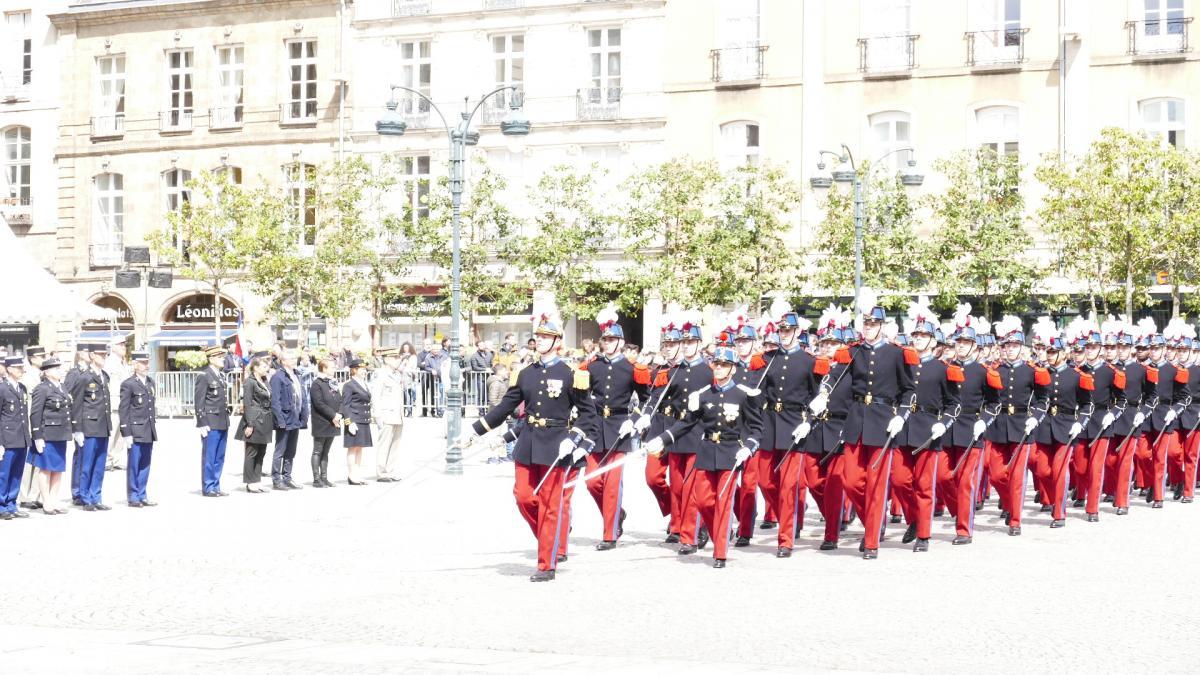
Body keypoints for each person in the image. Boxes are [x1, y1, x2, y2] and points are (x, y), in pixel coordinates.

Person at [456, 304, 597, 582]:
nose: (539, 341)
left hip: (557, 445)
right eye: (538, 336)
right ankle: (553, 534)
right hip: (529, 442)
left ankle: (546, 564)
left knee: (550, 505)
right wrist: (474, 432)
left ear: (557, 342)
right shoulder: (525, 373)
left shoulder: (572, 374)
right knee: (523, 497)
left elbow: (588, 416)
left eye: (546, 337)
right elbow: (505, 408)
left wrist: (574, 437)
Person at [644, 345, 764, 569]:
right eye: (716, 364)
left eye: (724, 365)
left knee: (723, 503)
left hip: (731, 453)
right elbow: (687, 423)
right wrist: (664, 439)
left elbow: (756, 428)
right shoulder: (703, 395)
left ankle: (720, 553)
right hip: (707, 451)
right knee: (703, 501)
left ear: (733, 369)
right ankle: (718, 530)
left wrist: (748, 447)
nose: (718, 368)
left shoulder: (743, 395)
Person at [837, 289, 915, 559]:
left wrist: (901, 415)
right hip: (856, 420)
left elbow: (908, 389)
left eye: (873, 324)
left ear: (881, 326)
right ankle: (874, 518)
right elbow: (837, 379)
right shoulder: (853, 352)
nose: (868, 328)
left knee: (876, 484)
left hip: (883, 420)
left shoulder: (896, 354)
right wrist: (823, 395)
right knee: (850, 482)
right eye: (865, 324)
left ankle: (871, 541)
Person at [892, 302, 960, 552]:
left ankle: (923, 534)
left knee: (924, 485)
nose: (919, 339)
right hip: (902, 429)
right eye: (916, 335)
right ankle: (914, 518)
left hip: (929, 430)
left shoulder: (945, 369)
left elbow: (955, 404)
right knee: (899, 481)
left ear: (934, 341)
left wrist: (943, 424)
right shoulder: (903, 364)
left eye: (924, 336)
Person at [581, 307, 649, 550]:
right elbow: (580, 394)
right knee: (591, 482)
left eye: (611, 339)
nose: (607, 343)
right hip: (594, 426)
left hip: (619, 426)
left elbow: (646, 398)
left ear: (620, 342)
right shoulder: (591, 366)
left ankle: (610, 534)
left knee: (612, 483)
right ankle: (617, 513)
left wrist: (635, 417)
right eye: (605, 339)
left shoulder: (633, 368)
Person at [938, 308, 1000, 545]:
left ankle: (964, 529)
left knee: (965, 481)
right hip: (947, 429)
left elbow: (994, 404)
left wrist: (983, 421)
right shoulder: (945, 368)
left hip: (971, 428)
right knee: (943, 478)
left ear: (974, 346)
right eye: (959, 341)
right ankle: (959, 513)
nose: (961, 346)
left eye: (966, 342)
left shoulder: (984, 372)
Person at [761, 301, 818, 558]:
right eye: (780, 330)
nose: (783, 334)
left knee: (787, 486)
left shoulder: (809, 361)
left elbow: (818, 397)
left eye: (787, 330)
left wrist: (810, 421)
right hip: (769, 423)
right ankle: (792, 511)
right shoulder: (766, 359)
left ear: (797, 332)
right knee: (765, 480)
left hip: (795, 424)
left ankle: (785, 539)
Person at [986, 316, 1050, 535]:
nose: (1010, 349)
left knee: (1017, 476)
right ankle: (1009, 502)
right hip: (998, 426)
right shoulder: (995, 370)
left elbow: (1043, 399)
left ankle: (1015, 520)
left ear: (1021, 347)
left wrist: (1036, 416)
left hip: (1022, 425)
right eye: (1007, 346)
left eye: (1014, 346)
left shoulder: (1033, 371)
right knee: (995, 475)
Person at [662, 310, 713, 549]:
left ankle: (689, 536)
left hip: (697, 431)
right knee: (677, 486)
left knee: (692, 488)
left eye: (691, 342)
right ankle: (680, 525)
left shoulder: (709, 372)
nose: (687, 346)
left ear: (700, 344)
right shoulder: (674, 371)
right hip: (676, 432)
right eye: (684, 342)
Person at [72, 343, 113, 511]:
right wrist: (77, 429)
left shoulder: (105, 376)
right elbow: (77, 404)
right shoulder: (84, 377)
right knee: (87, 464)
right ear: (92, 356)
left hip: (103, 425)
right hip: (89, 426)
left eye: (105, 355)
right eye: (100, 355)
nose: (103, 358)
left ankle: (96, 496)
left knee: (99, 464)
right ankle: (85, 497)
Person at [29, 357, 73, 515]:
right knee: (46, 469)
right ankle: (46, 501)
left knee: (58, 469)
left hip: (61, 434)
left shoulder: (62, 387)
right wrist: (37, 436)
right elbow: (35, 414)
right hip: (47, 434)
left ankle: (54, 500)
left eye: (60, 368)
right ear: (47, 372)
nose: (60, 370)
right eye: (56, 368)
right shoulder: (42, 388)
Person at [116, 351, 157, 508]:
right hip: (135, 430)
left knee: (145, 463)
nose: (146, 366)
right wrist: (126, 432)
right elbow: (124, 409)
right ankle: (133, 496)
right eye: (142, 363)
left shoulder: (150, 382)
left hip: (148, 429)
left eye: (147, 362)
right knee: (134, 464)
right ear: (134, 365)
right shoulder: (128, 384)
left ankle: (142, 494)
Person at [269, 349, 310, 491]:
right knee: (280, 450)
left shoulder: (296, 374)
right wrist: (280, 420)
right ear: (283, 361)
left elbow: (302, 396)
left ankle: (287, 477)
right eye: (291, 358)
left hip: (295, 418)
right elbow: (275, 401)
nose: (294, 360)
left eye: (294, 358)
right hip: (285, 419)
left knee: (291, 451)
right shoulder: (278, 377)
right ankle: (276, 479)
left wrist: (304, 416)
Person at [196, 345, 232, 497]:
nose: (222, 359)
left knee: (219, 456)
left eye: (222, 356)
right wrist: (201, 422)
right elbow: (199, 401)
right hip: (210, 421)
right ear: (211, 358)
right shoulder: (204, 375)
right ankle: (208, 486)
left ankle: (216, 485)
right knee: (209, 457)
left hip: (222, 420)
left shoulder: (221, 375)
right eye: (219, 357)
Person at [0, 356, 32, 519]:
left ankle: (12, 504)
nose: (21, 370)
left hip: (21, 437)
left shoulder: (22, 388)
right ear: (10, 369)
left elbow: (23, 415)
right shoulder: (2, 388)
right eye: (18, 368)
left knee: (17, 473)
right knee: (4, 473)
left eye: (22, 367)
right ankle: (1, 505)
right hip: (7, 438)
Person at [235, 356, 273, 493]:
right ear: (255, 368)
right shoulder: (249, 382)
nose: (266, 369)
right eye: (263, 366)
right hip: (255, 419)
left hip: (265, 419)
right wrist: (250, 424)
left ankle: (257, 480)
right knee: (252, 452)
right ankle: (250, 482)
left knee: (261, 452)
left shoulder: (264, 380)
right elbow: (248, 404)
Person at [17, 346, 46, 510]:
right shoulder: (28, 378)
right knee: (29, 462)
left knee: (38, 460)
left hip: (41, 423)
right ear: (33, 359)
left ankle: (35, 494)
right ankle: (24, 496)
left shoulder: (41, 376)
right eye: (40, 357)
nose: (42, 359)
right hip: (30, 422)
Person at [372, 347, 406, 482]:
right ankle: (381, 472)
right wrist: (377, 415)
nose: (398, 360)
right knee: (384, 444)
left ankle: (390, 471)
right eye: (395, 358)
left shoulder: (396, 374)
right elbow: (375, 395)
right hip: (386, 414)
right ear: (386, 359)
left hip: (397, 414)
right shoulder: (380, 374)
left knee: (395, 445)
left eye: (398, 357)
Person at [309, 358, 342, 488]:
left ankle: (324, 477)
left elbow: (339, 399)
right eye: (332, 367)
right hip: (322, 422)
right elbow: (319, 403)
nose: (334, 369)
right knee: (318, 451)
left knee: (326, 452)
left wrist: (339, 415)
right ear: (324, 369)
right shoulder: (317, 383)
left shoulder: (332, 382)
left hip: (333, 422)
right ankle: (316, 479)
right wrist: (333, 415)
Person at [340, 358, 372, 485]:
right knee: (353, 448)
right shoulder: (349, 385)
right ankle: (352, 475)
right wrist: (349, 422)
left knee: (360, 448)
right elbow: (345, 405)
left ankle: (357, 474)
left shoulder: (363, 383)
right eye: (362, 369)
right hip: (354, 420)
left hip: (363, 419)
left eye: (365, 369)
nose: (364, 371)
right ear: (354, 370)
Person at [65, 343, 90, 506]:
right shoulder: (74, 373)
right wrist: (74, 424)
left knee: (88, 457)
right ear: (80, 354)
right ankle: (77, 491)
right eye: (88, 352)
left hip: (92, 422)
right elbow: (68, 397)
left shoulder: (91, 373)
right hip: (79, 420)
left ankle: (85, 489)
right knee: (81, 456)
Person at [104, 340, 130, 472]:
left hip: (124, 402)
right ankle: (107, 460)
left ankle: (117, 459)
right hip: (114, 402)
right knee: (112, 432)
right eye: (120, 345)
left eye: (124, 345)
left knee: (121, 433)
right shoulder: (109, 362)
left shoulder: (123, 363)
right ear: (113, 347)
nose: (123, 347)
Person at [485, 363, 511, 463]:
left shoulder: (500, 382)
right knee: (494, 435)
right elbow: (493, 400)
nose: (507, 372)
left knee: (500, 435)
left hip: (500, 414)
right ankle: (492, 457)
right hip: (496, 414)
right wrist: (503, 411)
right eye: (505, 370)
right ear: (500, 372)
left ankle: (500, 455)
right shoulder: (496, 383)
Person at [467, 340, 495, 416]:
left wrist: (491, 369)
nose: (482, 347)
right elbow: (474, 367)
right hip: (480, 378)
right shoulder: (474, 356)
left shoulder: (489, 354)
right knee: (481, 394)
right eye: (480, 345)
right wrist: (484, 369)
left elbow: (492, 364)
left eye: (483, 345)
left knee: (488, 394)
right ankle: (481, 411)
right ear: (477, 346)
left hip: (489, 378)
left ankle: (487, 409)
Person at [399, 342, 418, 416]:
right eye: (404, 347)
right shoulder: (401, 356)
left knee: (408, 394)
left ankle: (409, 410)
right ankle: (402, 410)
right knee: (402, 394)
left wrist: (405, 366)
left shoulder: (413, 357)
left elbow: (412, 367)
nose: (405, 349)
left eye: (406, 347)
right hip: (401, 376)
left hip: (408, 377)